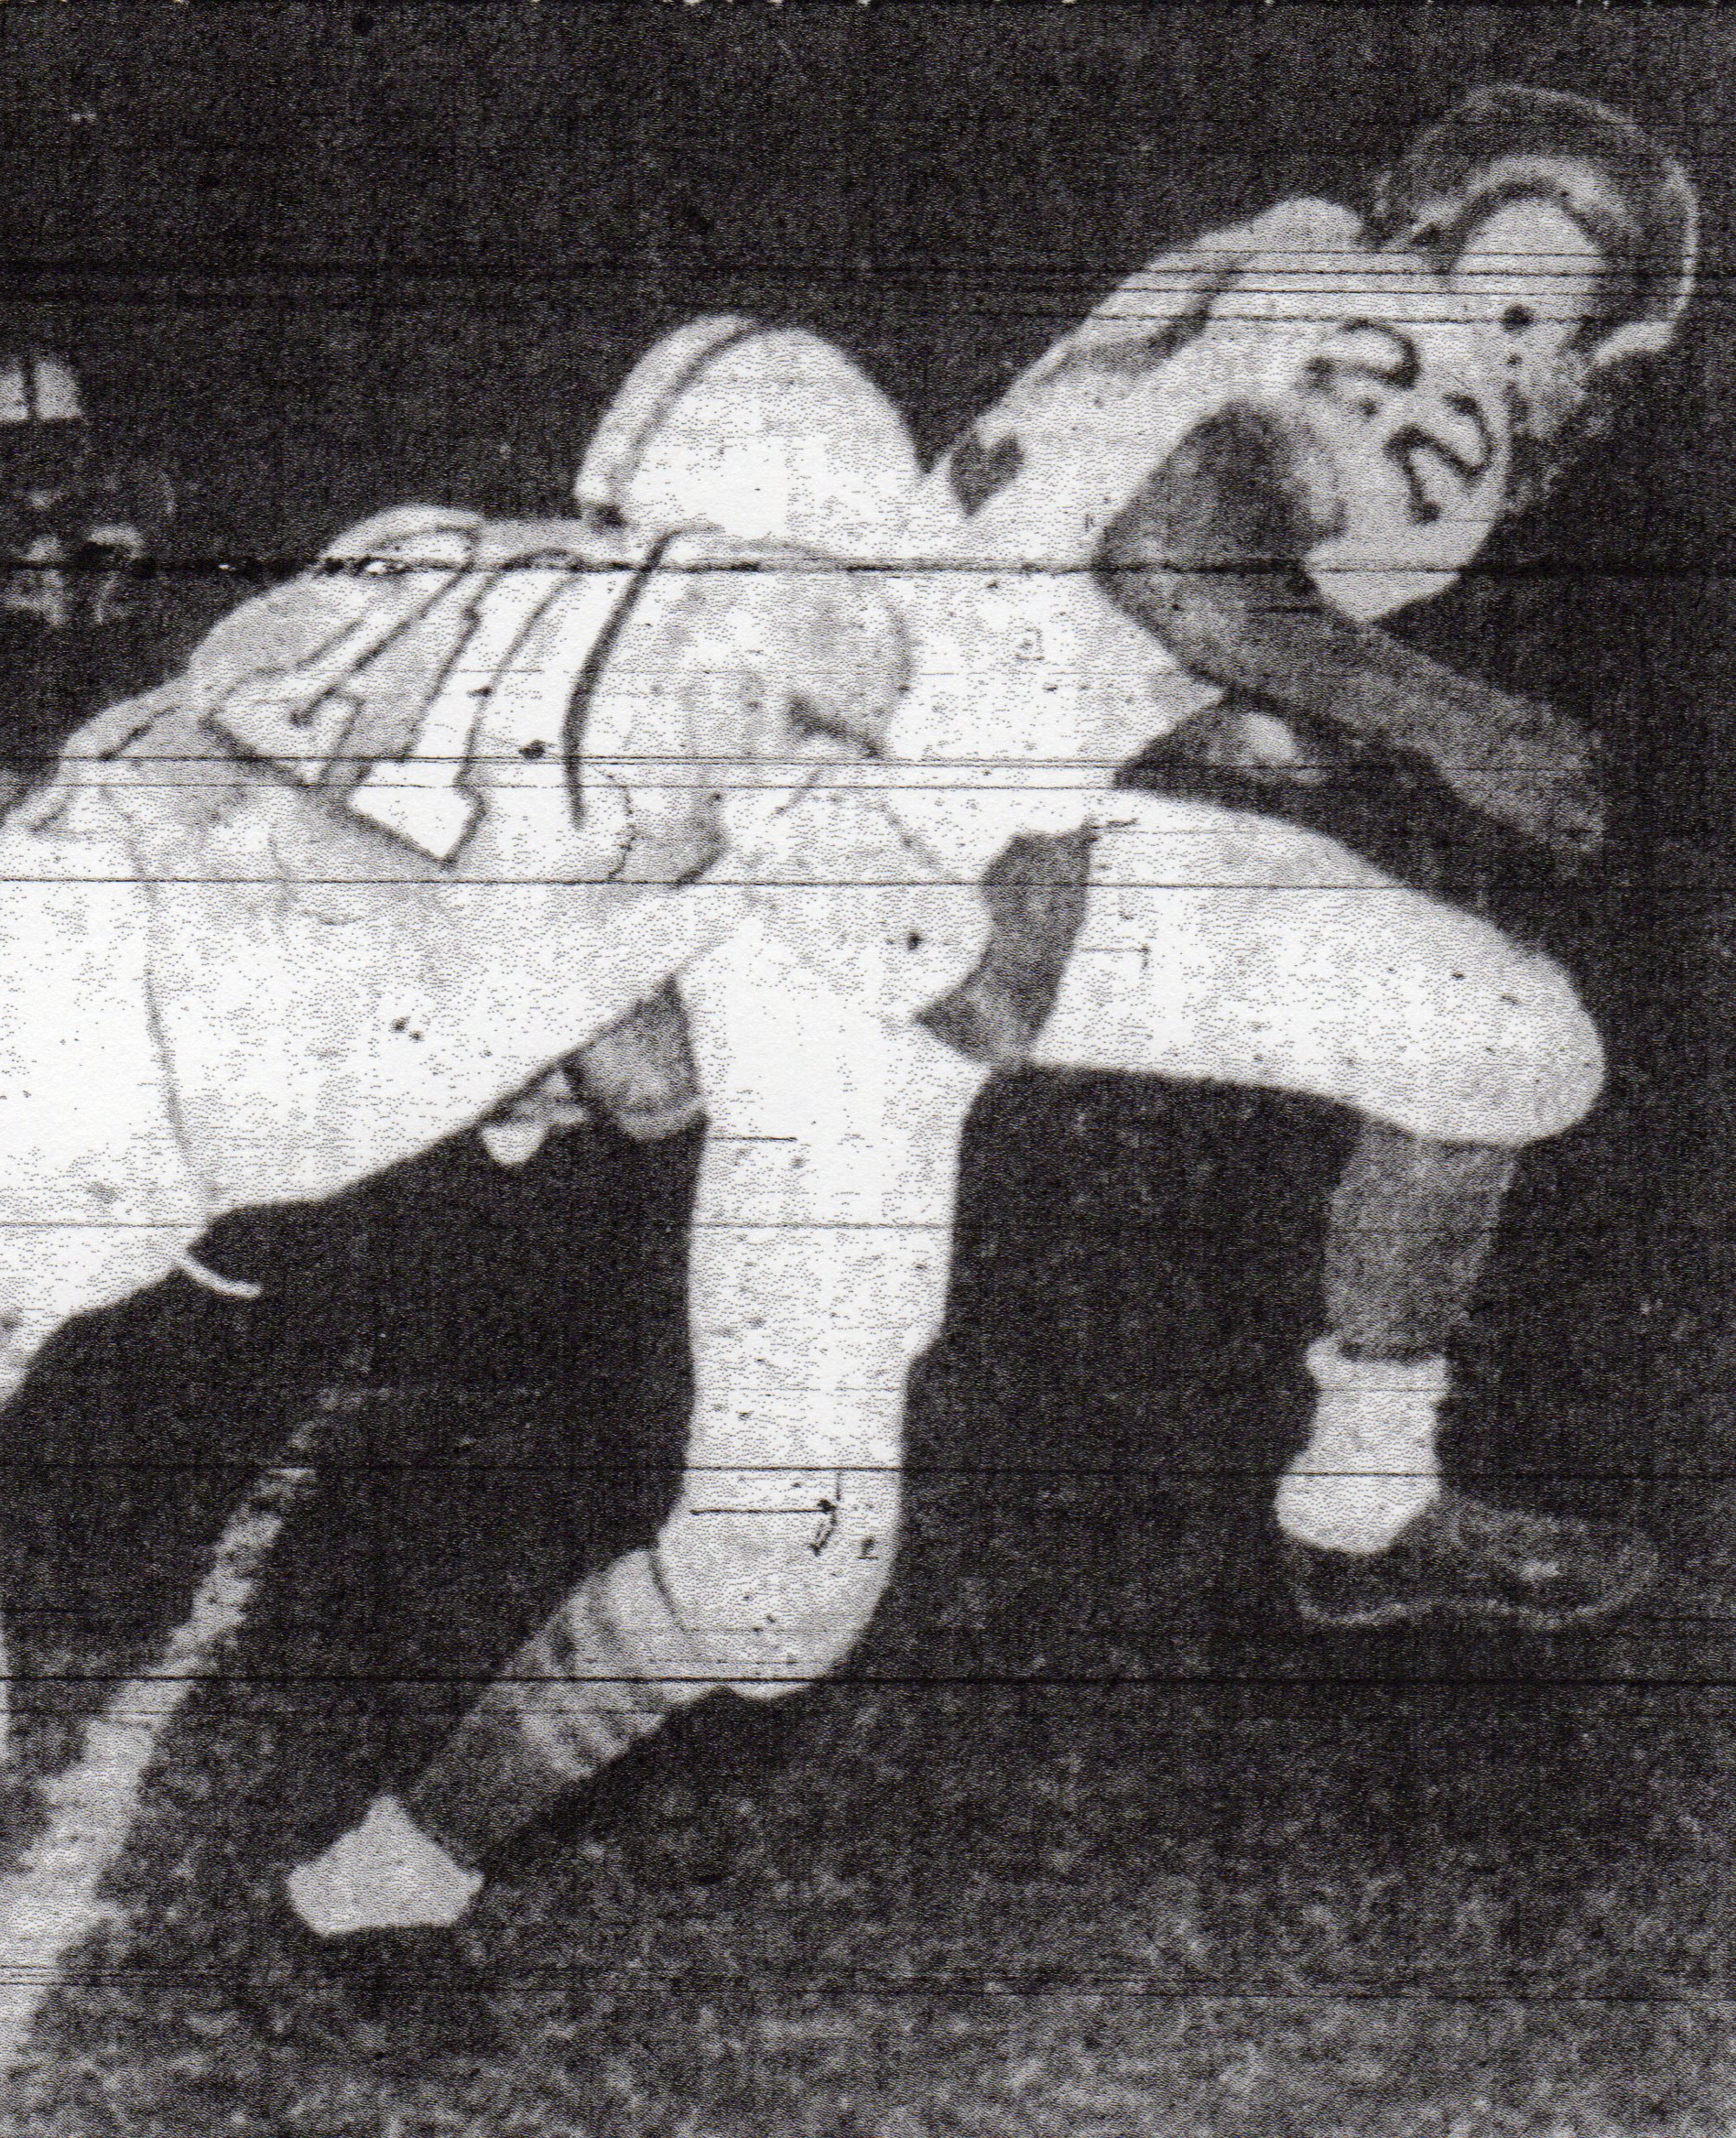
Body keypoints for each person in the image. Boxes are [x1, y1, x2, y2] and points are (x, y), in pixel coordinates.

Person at [0, 147, 1603, 2024]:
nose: (39, 518)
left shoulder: (380, 547)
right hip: (15, 1137)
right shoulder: (786, 763)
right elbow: (880, 894)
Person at [281, 82, 1682, 1961]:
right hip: (868, 895)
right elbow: (1178, 553)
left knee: (1502, 1037)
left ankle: (1361, 1503)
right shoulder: (1445, 396)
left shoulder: (1274, 249)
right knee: (777, 1576)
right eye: (1565, 314)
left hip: (965, 810)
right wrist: (1454, 720)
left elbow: (1098, 563)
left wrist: (1234, 713)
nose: (1548, 353)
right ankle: (396, 1868)